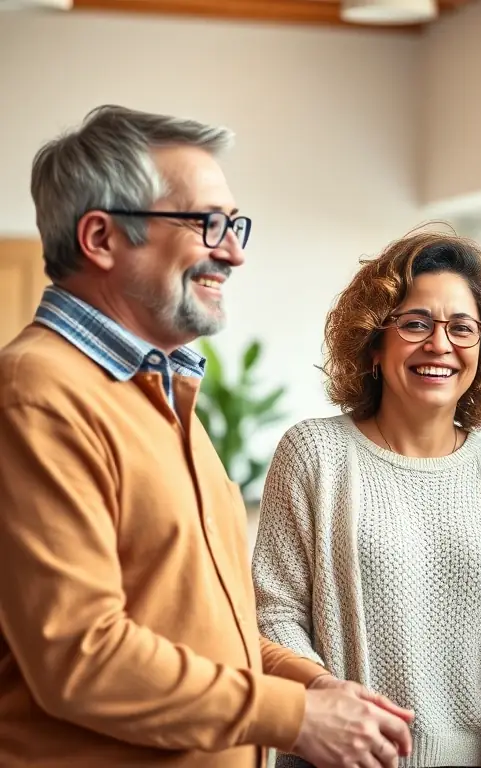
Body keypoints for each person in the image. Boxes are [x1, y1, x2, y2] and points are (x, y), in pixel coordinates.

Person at [0, 105, 414, 768]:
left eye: (234, 223)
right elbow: (80, 654)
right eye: (207, 224)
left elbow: (202, 627)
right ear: (102, 237)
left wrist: (312, 685)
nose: (235, 251)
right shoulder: (37, 392)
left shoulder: (165, 388)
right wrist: (295, 716)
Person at [252, 231, 481, 768]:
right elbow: (273, 616)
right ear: (373, 343)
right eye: (415, 324)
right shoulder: (314, 453)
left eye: (462, 328)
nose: (440, 345)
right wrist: (332, 700)